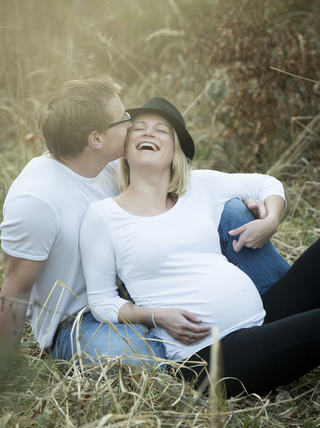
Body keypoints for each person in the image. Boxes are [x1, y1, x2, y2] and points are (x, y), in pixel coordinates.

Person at [0, 78, 287, 367]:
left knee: (233, 211)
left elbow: (179, 187)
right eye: (124, 119)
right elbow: (15, 291)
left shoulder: (110, 162)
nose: (131, 124)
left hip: (139, 283)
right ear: (96, 139)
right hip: (80, 318)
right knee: (141, 361)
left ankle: (279, 308)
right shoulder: (36, 199)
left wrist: (247, 202)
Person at [79, 96, 320, 397]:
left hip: (261, 319)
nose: (148, 133)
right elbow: (102, 301)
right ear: (125, 150)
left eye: (161, 130)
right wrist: (156, 316)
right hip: (210, 358)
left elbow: (266, 183)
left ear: (175, 150)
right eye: (138, 128)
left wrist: (270, 221)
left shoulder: (199, 186)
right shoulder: (103, 215)